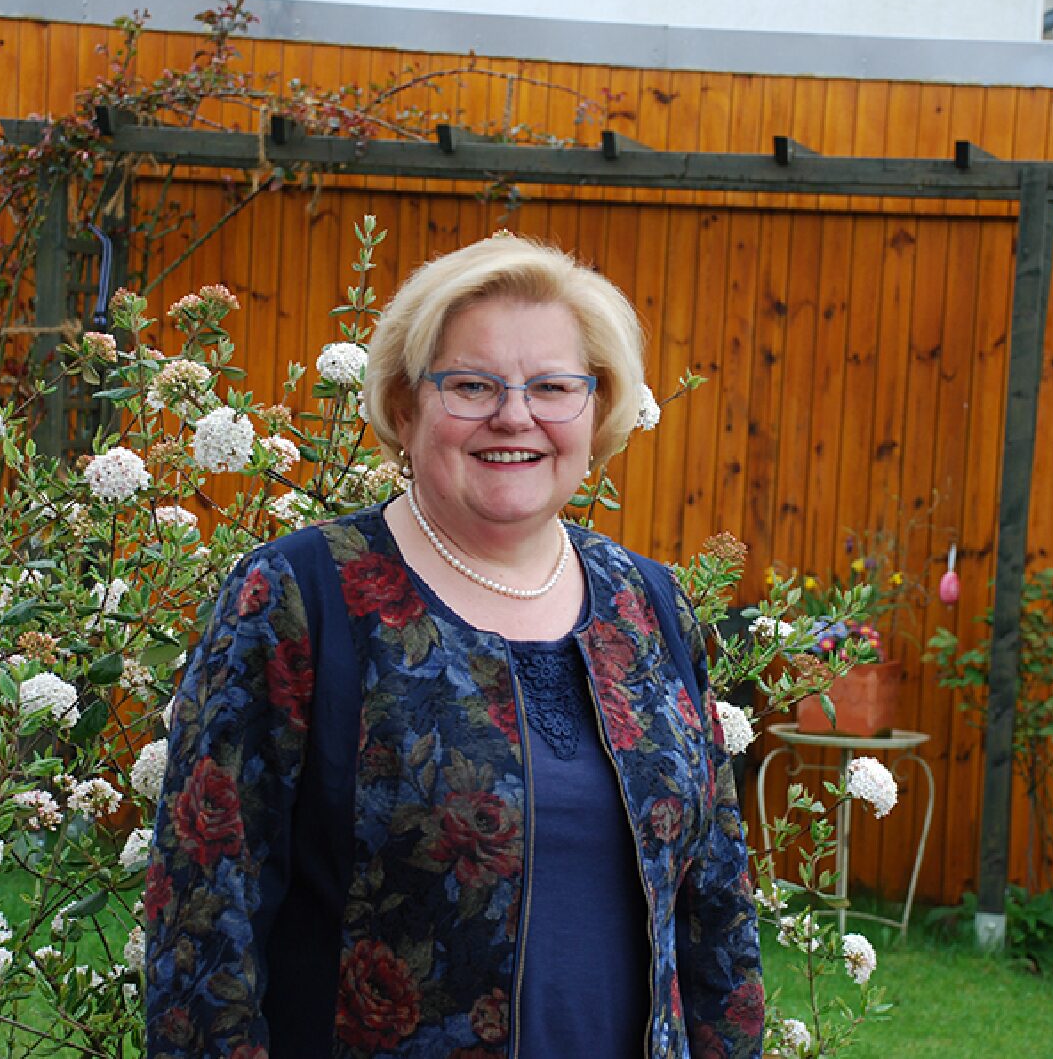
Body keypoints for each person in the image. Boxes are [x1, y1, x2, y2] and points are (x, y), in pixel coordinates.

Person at [144, 234, 764, 1058]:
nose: (515, 416)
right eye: (473, 385)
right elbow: (203, 931)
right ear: (406, 408)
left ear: (597, 409)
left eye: (553, 387)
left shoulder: (648, 606)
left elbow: (717, 913)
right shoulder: (300, 596)